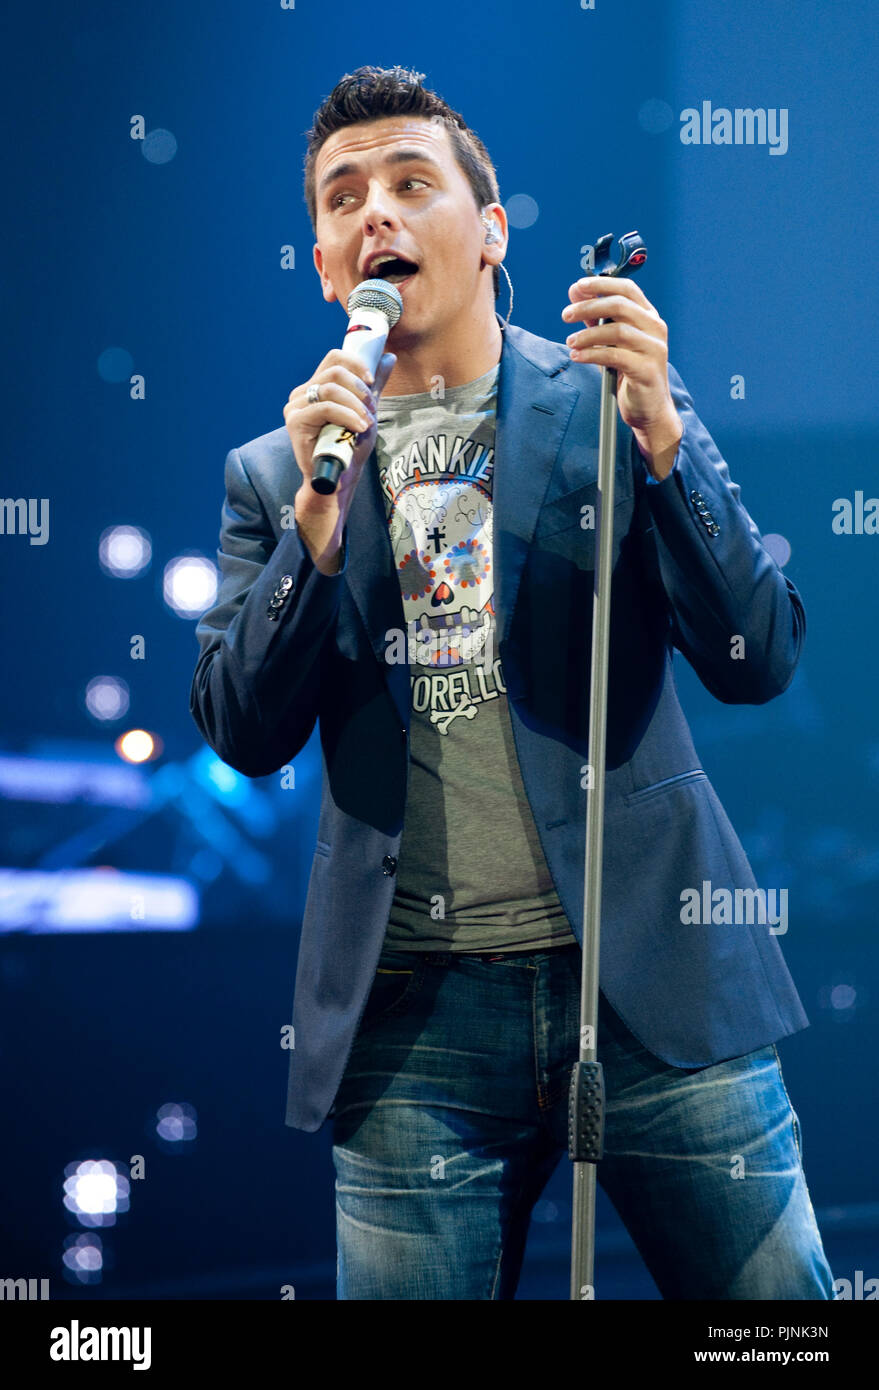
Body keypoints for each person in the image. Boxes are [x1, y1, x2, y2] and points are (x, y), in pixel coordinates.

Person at [190, 65, 834, 1300]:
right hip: (412, 1025)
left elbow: (760, 654)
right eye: (344, 198)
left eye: (410, 182)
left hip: (651, 987)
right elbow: (240, 729)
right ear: (325, 265)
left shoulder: (609, 400)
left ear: (489, 235)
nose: (374, 212)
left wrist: (668, 444)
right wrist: (314, 535)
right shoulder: (278, 475)